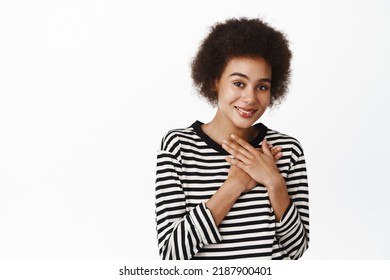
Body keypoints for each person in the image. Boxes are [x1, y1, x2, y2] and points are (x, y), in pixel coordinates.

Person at [155, 17, 309, 260]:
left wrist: (274, 181)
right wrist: (235, 183)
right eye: (239, 83)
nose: (250, 98)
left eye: (262, 87)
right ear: (216, 81)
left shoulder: (287, 150)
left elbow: (297, 249)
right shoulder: (178, 147)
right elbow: (172, 253)